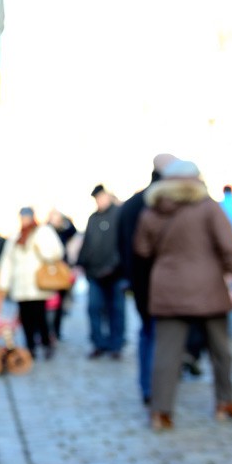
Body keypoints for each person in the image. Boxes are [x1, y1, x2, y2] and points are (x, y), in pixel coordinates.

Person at [134, 160, 232, 431]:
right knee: (221, 350)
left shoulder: (153, 210)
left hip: (167, 288)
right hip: (207, 288)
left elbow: (142, 249)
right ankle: (225, 402)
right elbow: (230, 249)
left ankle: (160, 412)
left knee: (166, 353)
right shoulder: (209, 208)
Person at [117, 153, 176, 404]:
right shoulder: (159, 205)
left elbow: (121, 247)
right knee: (159, 335)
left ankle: (150, 387)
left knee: (149, 332)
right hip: (161, 281)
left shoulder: (130, 205)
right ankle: (155, 388)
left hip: (141, 281)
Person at [0, 207, 64, 360]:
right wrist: (3, 283)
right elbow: (7, 261)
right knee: (25, 318)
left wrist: (40, 248)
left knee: (40, 316)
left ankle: (46, 343)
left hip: (37, 285)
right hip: (20, 285)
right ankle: (30, 346)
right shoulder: (16, 237)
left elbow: (56, 252)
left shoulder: (43, 232)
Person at [77, 184, 126, 360]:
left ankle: (116, 344)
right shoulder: (93, 218)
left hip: (115, 274)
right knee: (94, 308)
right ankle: (99, 343)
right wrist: (81, 262)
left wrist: (114, 266)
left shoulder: (118, 215)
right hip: (94, 273)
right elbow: (87, 243)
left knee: (116, 310)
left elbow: (123, 244)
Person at [47, 209, 77, 342]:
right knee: (46, 303)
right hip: (48, 271)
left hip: (61, 270)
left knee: (59, 303)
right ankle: (47, 331)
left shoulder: (64, 230)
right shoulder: (46, 231)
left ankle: (56, 331)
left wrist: (63, 219)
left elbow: (73, 231)